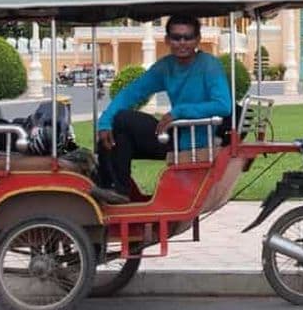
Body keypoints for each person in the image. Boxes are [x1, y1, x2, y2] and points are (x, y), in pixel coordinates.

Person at [92, 15, 231, 204]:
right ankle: (114, 191)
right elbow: (132, 92)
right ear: (167, 40)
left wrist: (179, 112)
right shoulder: (166, 66)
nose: (182, 43)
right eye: (176, 37)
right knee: (112, 131)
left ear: (197, 39)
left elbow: (223, 105)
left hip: (195, 139)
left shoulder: (209, 65)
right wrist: (105, 121)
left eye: (188, 37)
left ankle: (117, 189)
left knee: (123, 120)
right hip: (173, 134)